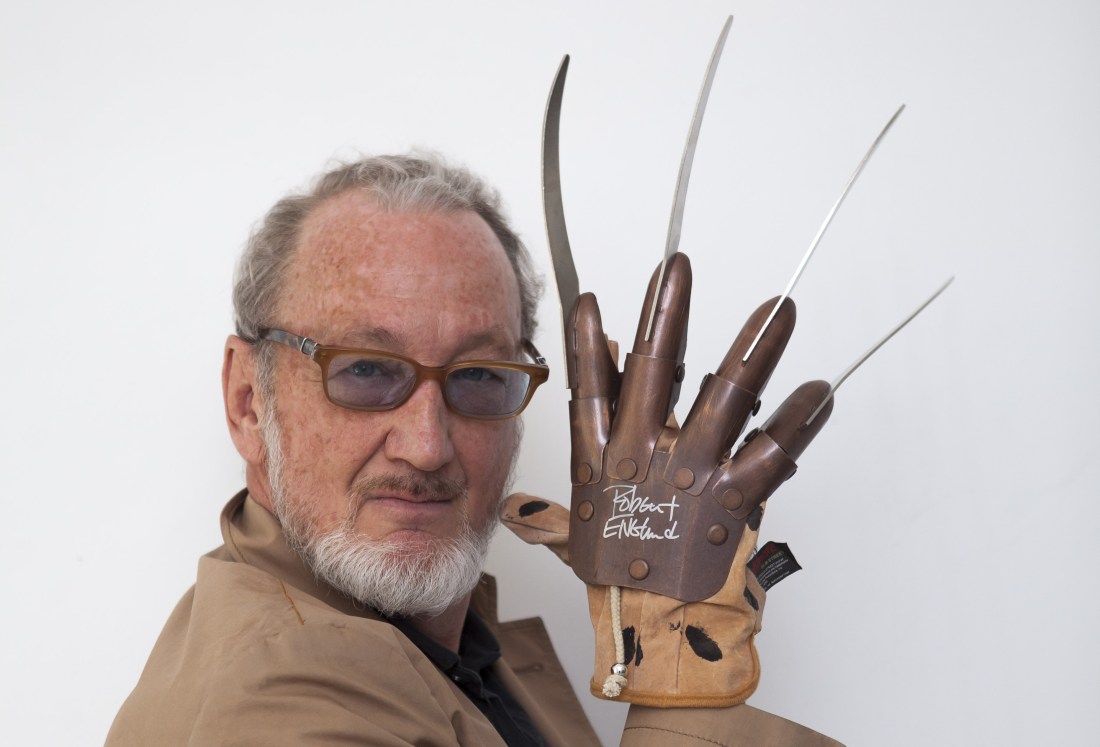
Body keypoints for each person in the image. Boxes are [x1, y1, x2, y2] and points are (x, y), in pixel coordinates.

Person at [106, 153, 841, 745]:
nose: (427, 447)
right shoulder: (270, 703)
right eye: (366, 371)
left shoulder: (453, 652)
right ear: (247, 399)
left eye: (480, 375)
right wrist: (682, 681)